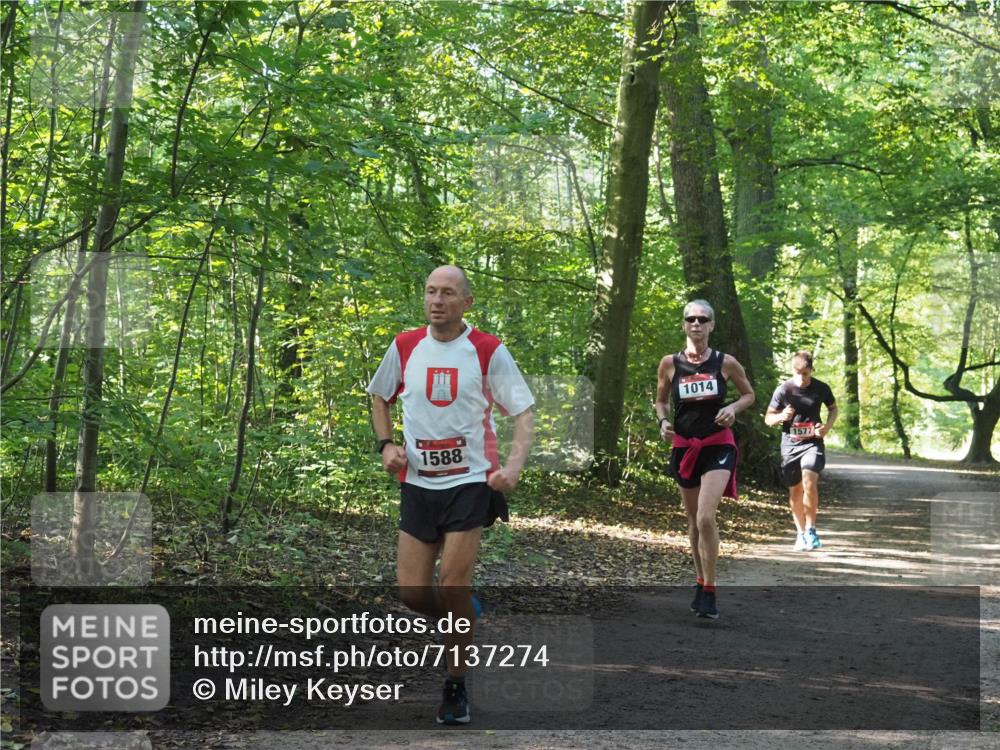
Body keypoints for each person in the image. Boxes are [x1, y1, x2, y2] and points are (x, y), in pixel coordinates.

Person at [366, 265, 534, 725]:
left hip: (470, 483)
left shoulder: (487, 349)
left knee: (452, 585)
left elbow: (523, 412)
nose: (436, 300)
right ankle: (466, 615)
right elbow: (379, 397)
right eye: (430, 292)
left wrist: (513, 466)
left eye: (447, 293)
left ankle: (455, 687)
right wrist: (387, 446)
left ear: (466, 302)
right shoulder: (404, 346)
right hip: (419, 485)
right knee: (413, 594)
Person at [655, 300, 755, 620]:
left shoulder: (726, 363)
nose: (696, 324)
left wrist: (733, 409)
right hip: (685, 448)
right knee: (693, 522)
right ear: (684, 325)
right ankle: (700, 580)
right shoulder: (670, 364)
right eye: (690, 319)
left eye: (703, 319)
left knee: (706, 517)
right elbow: (659, 401)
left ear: (712, 325)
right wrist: (663, 422)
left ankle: (710, 589)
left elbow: (748, 395)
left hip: (717, 445)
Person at [764, 351, 838, 551]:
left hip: (812, 444)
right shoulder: (784, 390)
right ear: (792, 370)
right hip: (790, 446)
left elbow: (833, 408)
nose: (801, 378)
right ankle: (801, 533)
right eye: (798, 373)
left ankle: (812, 530)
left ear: (811, 371)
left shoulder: (821, 388)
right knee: (795, 490)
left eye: (805, 373)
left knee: (809, 480)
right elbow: (768, 419)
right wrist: (781, 417)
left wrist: (827, 428)